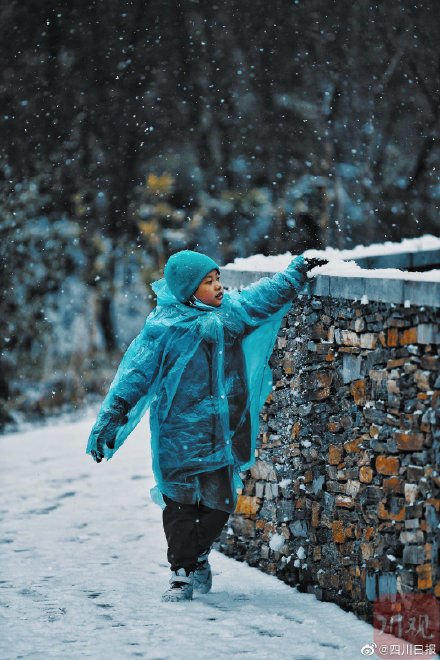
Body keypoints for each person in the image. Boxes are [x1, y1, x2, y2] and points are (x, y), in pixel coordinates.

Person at [86, 249, 320, 602]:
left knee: (221, 503)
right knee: (180, 505)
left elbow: (263, 298)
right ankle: (181, 573)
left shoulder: (230, 315)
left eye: (217, 280)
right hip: (177, 435)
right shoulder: (163, 330)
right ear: (187, 291)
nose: (218, 287)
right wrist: (111, 419)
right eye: (208, 283)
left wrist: (295, 273)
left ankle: (196, 555)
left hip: (224, 434)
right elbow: (133, 377)